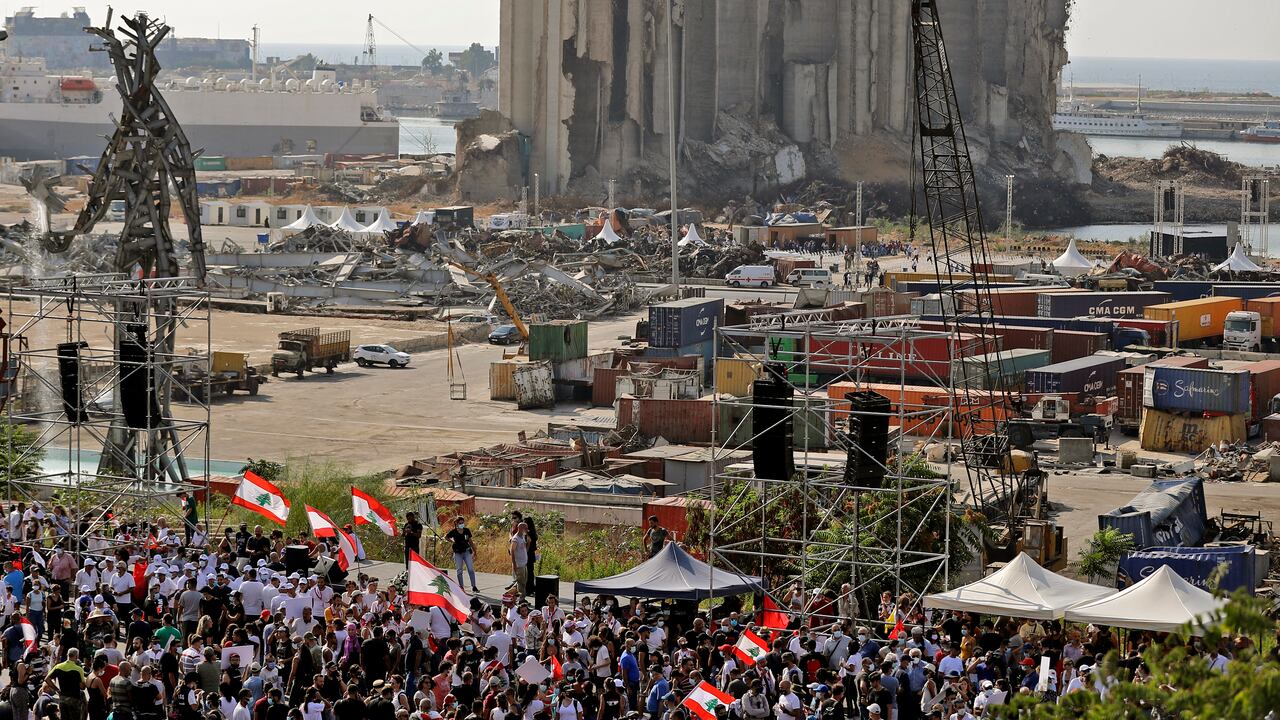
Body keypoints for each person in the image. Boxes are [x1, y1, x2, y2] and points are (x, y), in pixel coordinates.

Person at [444, 516, 479, 593]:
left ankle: (474, 586)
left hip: (466, 551)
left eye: (463, 523)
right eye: (460, 523)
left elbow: (470, 541)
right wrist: (452, 541)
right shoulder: (453, 531)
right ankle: (461, 587)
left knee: (470, 569)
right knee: (459, 570)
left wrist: (475, 551)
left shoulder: (466, 531)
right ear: (456, 523)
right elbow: (446, 537)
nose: (462, 524)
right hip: (458, 552)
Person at [509, 522, 530, 597]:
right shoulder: (516, 538)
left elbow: (524, 550)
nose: (527, 530)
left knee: (523, 582)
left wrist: (528, 544)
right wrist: (514, 564)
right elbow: (512, 551)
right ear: (520, 528)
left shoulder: (522, 537)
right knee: (521, 583)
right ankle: (521, 599)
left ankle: (519, 597)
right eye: (525, 528)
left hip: (523, 564)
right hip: (519, 564)